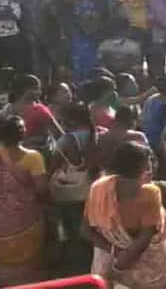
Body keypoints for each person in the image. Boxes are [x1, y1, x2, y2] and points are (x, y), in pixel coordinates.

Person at [83, 141, 166, 288]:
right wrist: (118, 261)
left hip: (110, 263)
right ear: (143, 168)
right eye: (148, 164)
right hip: (144, 270)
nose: (151, 169)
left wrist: (114, 257)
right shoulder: (149, 193)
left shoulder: (99, 188)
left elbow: (86, 230)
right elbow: (143, 240)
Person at [0, 116, 48, 286]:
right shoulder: (33, 158)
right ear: (23, 134)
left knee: (4, 258)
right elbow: (42, 189)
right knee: (30, 260)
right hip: (26, 220)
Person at [48, 101, 98, 276]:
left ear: (71, 120)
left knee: (75, 233)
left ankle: (79, 272)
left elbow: (53, 165)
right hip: (95, 191)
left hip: (72, 196)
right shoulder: (99, 134)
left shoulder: (66, 140)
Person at [0, 74, 64, 155]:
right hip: (37, 156)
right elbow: (60, 135)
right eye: (37, 89)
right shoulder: (40, 110)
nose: (40, 92)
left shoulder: (5, 110)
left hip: (9, 156)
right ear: (27, 90)